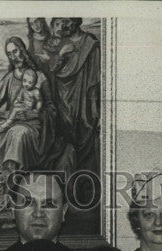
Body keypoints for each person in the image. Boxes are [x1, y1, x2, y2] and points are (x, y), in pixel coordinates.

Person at [0, 37, 59, 172]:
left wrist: (33, 114)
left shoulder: (39, 77)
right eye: (9, 54)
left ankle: (9, 177)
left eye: (15, 52)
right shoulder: (11, 76)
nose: (13, 57)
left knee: (16, 133)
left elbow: (51, 109)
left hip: (32, 125)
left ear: (22, 51)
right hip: (11, 120)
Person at [48, 18, 101, 174]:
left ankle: (85, 182)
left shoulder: (90, 43)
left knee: (85, 137)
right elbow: (53, 67)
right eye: (63, 21)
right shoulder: (61, 42)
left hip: (84, 100)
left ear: (77, 21)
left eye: (69, 21)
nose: (65, 25)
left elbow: (94, 78)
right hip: (62, 100)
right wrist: (61, 54)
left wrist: (94, 105)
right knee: (66, 141)